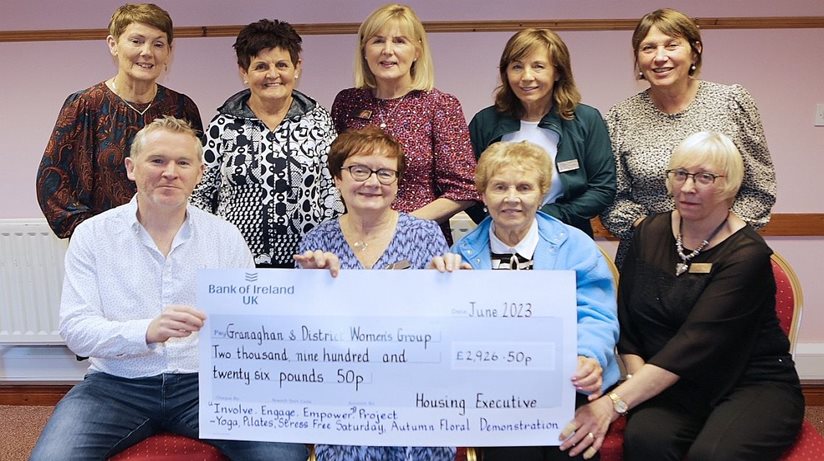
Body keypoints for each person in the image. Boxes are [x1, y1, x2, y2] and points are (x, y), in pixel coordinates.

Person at [29, 117, 308, 461]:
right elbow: (76, 331)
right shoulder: (93, 235)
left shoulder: (224, 237)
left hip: (206, 385)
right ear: (132, 168)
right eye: (157, 161)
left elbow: (251, 323)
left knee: (284, 455)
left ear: (199, 173)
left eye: (183, 163)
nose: (170, 172)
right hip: (116, 385)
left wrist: (309, 287)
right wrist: (147, 330)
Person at [560, 132, 803, 461]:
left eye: (705, 177)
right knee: (646, 440)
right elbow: (628, 321)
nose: (688, 188)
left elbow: (694, 342)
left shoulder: (747, 256)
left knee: (712, 455)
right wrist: (636, 383)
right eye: (680, 174)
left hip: (751, 383)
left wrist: (615, 403)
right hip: (673, 383)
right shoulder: (649, 232)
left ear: (729, 185)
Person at [431, 141, 620, 461]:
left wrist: (588, 356)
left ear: (542, 193)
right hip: (496, 391)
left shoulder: (575, 245)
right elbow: (445, 333)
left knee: (570, 449)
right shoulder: (461, 254)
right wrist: (441, 284)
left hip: (568, 383)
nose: (512, 198)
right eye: (500, 187)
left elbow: (596, 313)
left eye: (524, 187)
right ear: (483, 194)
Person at [295, 126, 453, 461]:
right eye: (359, 170)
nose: (372, 182)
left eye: (384, 172)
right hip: (343, 398)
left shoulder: (426, 235)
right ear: (337, 178)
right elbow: (305, 336)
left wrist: (452, 286)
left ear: (397, 182)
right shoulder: (316, 242)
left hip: (414, 396)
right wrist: (312, 287)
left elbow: (443, 326)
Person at [599, 8, 776, 266]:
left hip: (723, 255)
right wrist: (656, 235)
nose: (660, 57)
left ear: (695, 50)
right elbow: (613, 199)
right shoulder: (619, 117)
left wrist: (715, 236)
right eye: (648, 48)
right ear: (638, 58)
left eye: (672, 45)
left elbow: (760, 188)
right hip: (646, 256)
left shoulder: (730, 102)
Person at [37, 3, 203, 239]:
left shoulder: (182, 107)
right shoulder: (85, 105)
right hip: (104, 245)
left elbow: (196, 176)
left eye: (158, 44)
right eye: (136, 41)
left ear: (168, 51)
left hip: (171, 240)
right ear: (113, 45)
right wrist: (93, 235)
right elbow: (52, 182)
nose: (147, 52)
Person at [191, 19, 343, 268]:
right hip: (235, 263)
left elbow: (333, 191)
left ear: (297, 67)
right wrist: (210, 247)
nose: (272, 75)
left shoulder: (318, 120)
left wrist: (326, 249)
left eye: (282, 65)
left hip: (307, 262)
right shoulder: (223, 124)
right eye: (260, 66)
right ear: (243, 71)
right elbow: (200, 193)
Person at [331, 3, 478, 242]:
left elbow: (464, 189)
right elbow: (335, 174)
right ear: (364, 50)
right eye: (378, 41)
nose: (387, 50)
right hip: (355, 239)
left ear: (417, 51)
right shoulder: (348, 102)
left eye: (400, 41)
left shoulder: (440, 105)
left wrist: (401, 226)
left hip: (418, 240)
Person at [468, 28, 615, 238]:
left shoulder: (586, 120)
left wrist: (546, 217)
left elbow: (602, 189)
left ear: (557, 72)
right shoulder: (485, 122)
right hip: (499, 238)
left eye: (538, 67)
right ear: (506, 73)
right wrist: (501, 222)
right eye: (517, 67)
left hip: (568, 236)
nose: (526, 77)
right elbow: (468, 187)